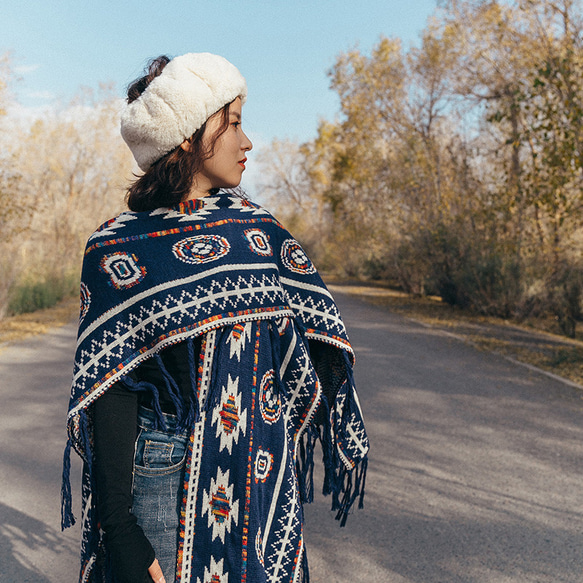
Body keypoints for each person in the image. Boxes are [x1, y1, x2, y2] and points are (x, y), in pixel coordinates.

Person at [61, 52, 369, 583]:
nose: (247, 142)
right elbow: (112, 387)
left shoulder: (258, 235)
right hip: (162, 479)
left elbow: (315, 338)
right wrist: (120, 527)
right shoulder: (117, 248)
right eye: (234, 123)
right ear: (186, 135)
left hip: (263, 478)